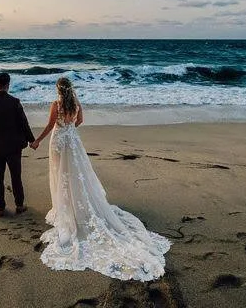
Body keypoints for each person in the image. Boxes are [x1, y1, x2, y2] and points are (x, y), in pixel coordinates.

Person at [30, 77, 171, 281]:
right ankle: (75, 203)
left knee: (60, 173)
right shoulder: (76, 104)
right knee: (76, 174)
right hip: (72, 141)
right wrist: (69, 129)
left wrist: (37, 141)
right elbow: (80, 121)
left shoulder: (56, 104)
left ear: (58, 90)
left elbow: (50, 124)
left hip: (59, 141)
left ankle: (64, 205)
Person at [0, 72, 35, 217]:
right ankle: (20, 205)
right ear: (8, 84)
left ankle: (0, 208)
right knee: (16, 176)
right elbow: (24, 123)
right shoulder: (14, 102)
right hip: (13, 146)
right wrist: (31, 140)